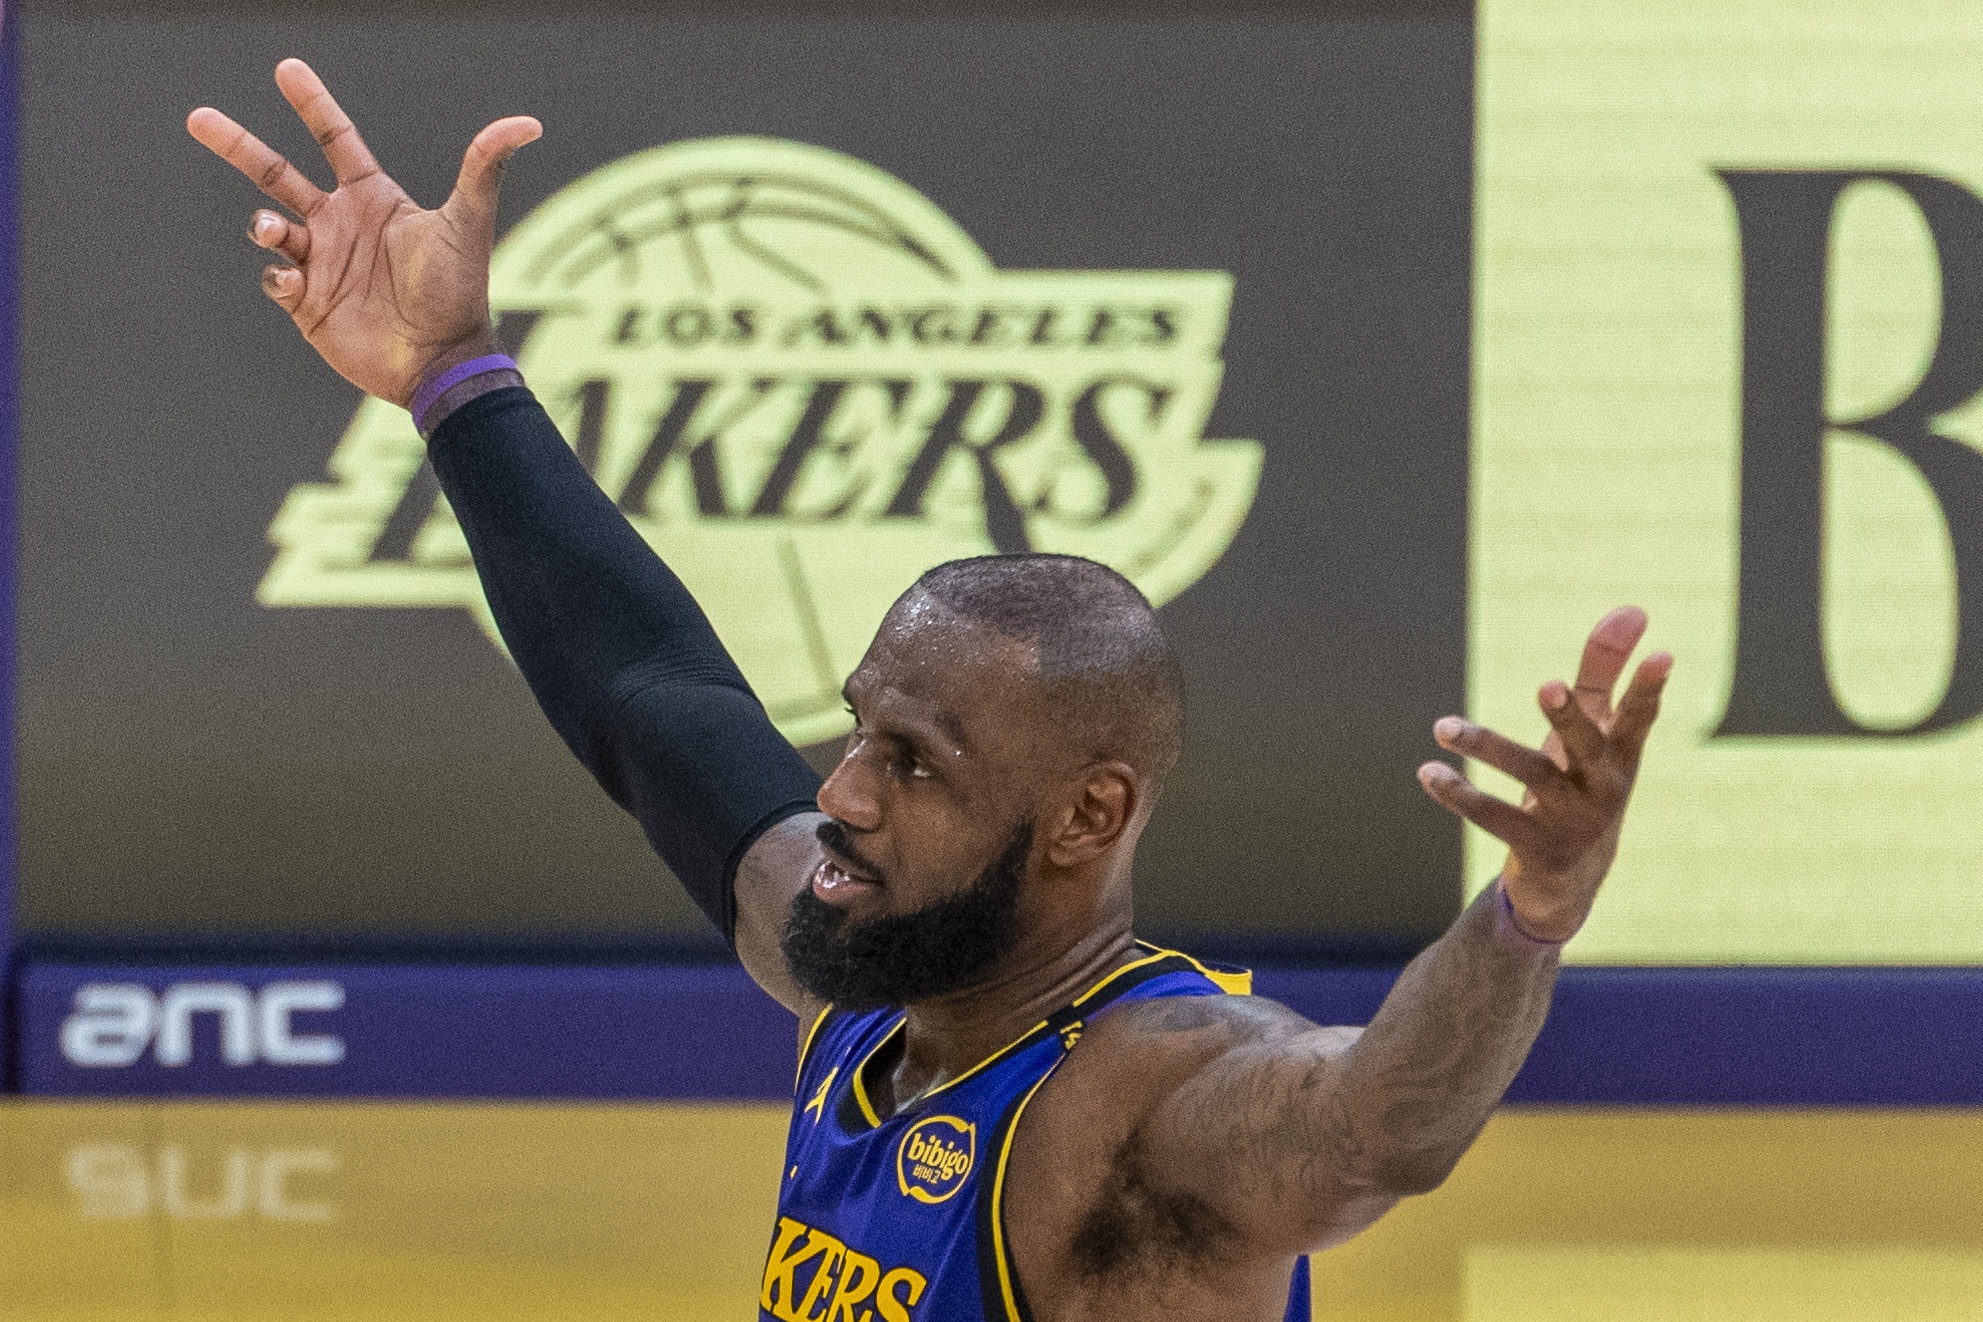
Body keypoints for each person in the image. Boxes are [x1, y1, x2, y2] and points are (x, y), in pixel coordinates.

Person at [188, 61, 1671, 1322]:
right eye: (859, 732)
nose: (839, 791)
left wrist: (1529, 914)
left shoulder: (1149, 1100)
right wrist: (453, 377)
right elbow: (650, 695)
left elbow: (1375, 1125)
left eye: (915, 762)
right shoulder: (868, 980)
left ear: (1086, 816)